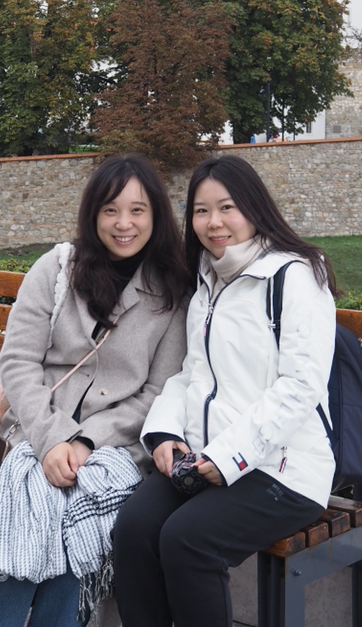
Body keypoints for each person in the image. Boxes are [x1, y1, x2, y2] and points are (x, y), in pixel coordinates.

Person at [0, 153, 191, 627]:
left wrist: (86, 442)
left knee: (74, 509)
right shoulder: (57, 268)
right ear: (92, 213)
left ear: (157, 215)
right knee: (39, 499)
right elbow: (19, 361)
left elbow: (157, 392)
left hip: (117, 445)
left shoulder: (173, 292)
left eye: (137, 210)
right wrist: (53, 439)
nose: (124, 223)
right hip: (38, 428)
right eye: (110, 210)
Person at [112, 154, 338, 627]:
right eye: (201, 210)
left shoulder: (295, 276)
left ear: (254, 208)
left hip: (282, 468)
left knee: (187, 541)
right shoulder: (208, 279)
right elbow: (193, 372)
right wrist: (165, 433)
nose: (213, 222)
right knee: (133, 529)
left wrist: (229, 456)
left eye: (227, 207)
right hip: (208, 457)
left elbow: (301, 386)